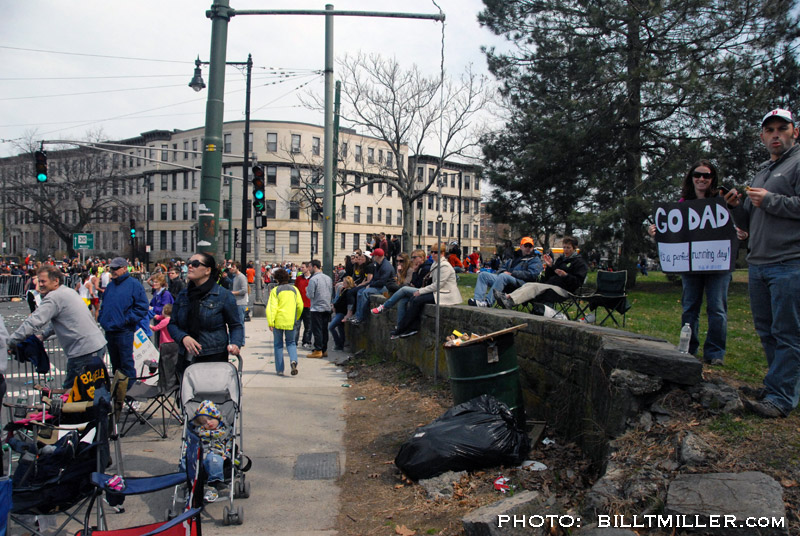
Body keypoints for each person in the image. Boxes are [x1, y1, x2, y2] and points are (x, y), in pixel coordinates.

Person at [726, 108, 800, 418]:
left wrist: (768, 199)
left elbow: (780, 204)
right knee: (767, 331)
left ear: (794, 131)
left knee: (788, 333)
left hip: (789, 262)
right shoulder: (762, 171)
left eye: (781, 129)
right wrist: (736, 208)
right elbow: (751, 219)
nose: (775, 135)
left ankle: (782, 397)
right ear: (762, 137)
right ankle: (776, 386)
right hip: (758, 262)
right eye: (769, 130)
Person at [644, 161, 747, 366]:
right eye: (697, 175)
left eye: (706, 176)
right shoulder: (682, 204)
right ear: (691, 178)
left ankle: (715, 353)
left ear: (712, 179)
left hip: (718, 264)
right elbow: (673, 232)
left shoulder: (724, 201)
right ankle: (688, 348)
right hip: (690, 265)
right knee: (690, 306)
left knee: (717, 308)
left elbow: (741, 225)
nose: (701, 179)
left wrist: (741, 232)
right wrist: (655, 231)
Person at [9, 265, 107, 389]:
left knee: (71, 394)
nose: (40, 284)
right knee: (90, 391)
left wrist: (11, 341)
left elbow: (34, 321)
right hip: (96, 345)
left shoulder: (54, 297)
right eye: (39, 281)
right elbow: (58, 320)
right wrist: (44, 335)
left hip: (83, 351)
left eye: (43, 281)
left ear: (55, 281)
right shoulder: (67, 291)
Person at [168, 253, 243, 369]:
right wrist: (183, 337)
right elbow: (172, 324)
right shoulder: (183, 295)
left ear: (207, 270)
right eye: (189, 263)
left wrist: (235, 344)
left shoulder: (223, 295)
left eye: (195, 264)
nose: (190, 266)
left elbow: (235, 325)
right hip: (186, 359)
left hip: (214, 357)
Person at [494, 236, 589, 309]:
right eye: (564, 247)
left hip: (565, 290)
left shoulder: (579, 262)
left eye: (568, 248)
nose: (565, 250)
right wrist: (550, 266)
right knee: (529, 285)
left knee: (534, 287)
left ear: (574, 248)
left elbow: (578, 282)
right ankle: (507, 298)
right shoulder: (561, 259)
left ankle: (510, 301)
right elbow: (549, 276)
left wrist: (566, 275)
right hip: (552, 285)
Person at [391, 243, 462, 339]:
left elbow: (438, 285)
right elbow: (428, 281)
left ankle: (402, 328)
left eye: (436, 252)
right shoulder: (435, 264)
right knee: (414, 299)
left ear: (442, 253)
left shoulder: (445, 266)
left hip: (446, 294)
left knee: (417, 300)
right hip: (438, 292)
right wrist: (416, 275)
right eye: (432, 252)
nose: (433, 254)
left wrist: (421, 291)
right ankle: (410, 327)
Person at [99, 257, 149, 385]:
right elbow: (104, 304)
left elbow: (142, 307)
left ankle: (131, 394)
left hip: (124, 330)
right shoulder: (111, 285)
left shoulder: (134, 284)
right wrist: (102, 318)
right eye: (111, 268)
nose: (113, 271)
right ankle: (118, 394)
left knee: (126, 363)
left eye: (116, 268)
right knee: (116, 365)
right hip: (110, 329)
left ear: (125, 268)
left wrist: (127, 320)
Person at [468, 237, 543, 307]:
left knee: (503, 276)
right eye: (526, 245)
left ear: (532, 248)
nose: (528, 248)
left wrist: (512, 274)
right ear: (521, 246)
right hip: (505, 279)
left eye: (530, 246)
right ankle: (478, 300)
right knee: (483, 275)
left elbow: (533, 275)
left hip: (521, 284)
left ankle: (488, 302)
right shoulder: (514, 256)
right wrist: (504, 271)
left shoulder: (535, 260)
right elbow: (502, 268)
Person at [371, 249, 430, 328]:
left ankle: (384, 307)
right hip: (410, 289)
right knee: (401, 300)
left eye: (401, 261)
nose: (399, 263)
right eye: (397, 261)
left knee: (402, 288)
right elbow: (404, 283)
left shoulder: (413, 269)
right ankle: (400, 326)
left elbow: (408, 283)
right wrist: (399, 273)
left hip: (418, 291)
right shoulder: (413, 268)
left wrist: (413, 272)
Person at [188, 400, 231, 502]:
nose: (208, 423)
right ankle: (189, 488)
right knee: (187, 460)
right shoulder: (199, 432)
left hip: (217, 455)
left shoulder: (224, 432)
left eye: (210, 418)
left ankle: (214, 486)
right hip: (200, 456)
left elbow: (229, 444)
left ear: (217, 417)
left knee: (213, 459)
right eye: (204, 422)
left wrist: (226, 454)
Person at [267, 268, 304, 376]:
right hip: (291, 320)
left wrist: (271, 321)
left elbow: (272, 307)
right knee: (291, 343)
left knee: (278, 345)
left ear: (277, 279)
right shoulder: (294, 290)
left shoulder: (275, 291)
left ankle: (279, 369)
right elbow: (300, 306)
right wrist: (296, 317)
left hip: (278, 320)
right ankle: (293, 360)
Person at [351, 248, 396, 324]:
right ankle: (357, 315)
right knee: (359, 292)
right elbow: (375, 278)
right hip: (379, 285)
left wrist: (370, 285)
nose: (373, 257)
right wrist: (370, 284)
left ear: (377, 256)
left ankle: (361, 318)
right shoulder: (379, 264)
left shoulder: (385, 266)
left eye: (374, 256)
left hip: (385, 287)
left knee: (365, 292)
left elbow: (382, 282)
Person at [305, 259, 333, 358]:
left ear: (314, 267)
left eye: (309, 267)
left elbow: (310, 295)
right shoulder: (328, 278)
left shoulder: (313, 279)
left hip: (316, 307)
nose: (309, 269)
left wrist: (306, 290)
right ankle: (324, 349)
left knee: (317, 329)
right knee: (324, 329)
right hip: (326, 306)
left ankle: (318, 349)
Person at [329, 276, 355, 351]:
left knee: (331, 327)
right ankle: (341, 345)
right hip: (339, 311)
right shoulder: (344, 290)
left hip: (342, 313)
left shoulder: (349, 292)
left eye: (344, 282)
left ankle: (338, 344)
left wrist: (347, 315)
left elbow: (349, 304)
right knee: (340, 328)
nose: (343, 283)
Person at [294, 262, 313, 349]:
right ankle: (294, 342)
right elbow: (295, 290)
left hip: (309, 305)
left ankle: (306, 341)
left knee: (308, 325)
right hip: (299, 305)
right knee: (297, 325)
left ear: (308, 268)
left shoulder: (312, 279)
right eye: (301, 267)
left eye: (303, 267)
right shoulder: (299, 279)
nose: (302, 269)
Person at [229, 262, 249, 343]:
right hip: (236, 302)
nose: (231, 268)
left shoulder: (242, 277)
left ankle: (241, 340)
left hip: (241, 303)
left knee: (240, 322)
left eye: (233, 267)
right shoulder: (235, 277)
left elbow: (244, 290)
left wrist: (233, 293)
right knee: (237, 322)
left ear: (237, 267)